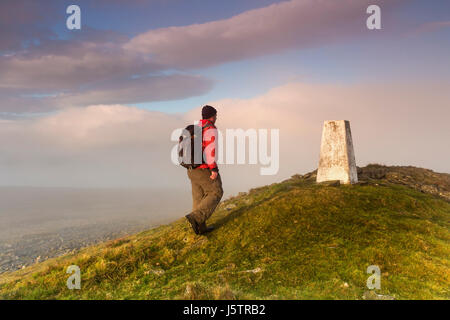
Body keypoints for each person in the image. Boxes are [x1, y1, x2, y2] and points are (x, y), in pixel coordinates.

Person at [185, 105, 224, 235]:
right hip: (203, 169)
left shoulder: (197, 127)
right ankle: (196, 218)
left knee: (199, 197)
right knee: (216, 191)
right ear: (212, 116)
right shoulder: (210, 129)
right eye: (215, 115)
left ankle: (201, 228)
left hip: (191, 169)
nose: (216, 117)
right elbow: (210, 151)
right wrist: (214, 169)